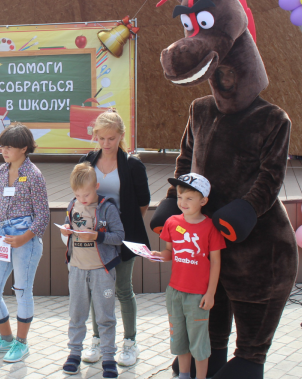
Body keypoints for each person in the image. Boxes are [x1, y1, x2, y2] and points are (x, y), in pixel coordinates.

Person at [77, 109, 150, 366]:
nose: (106, 144)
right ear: (95, 136)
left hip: (125, 238)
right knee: (99, 289)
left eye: (112, 138)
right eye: (102, 138)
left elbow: (143, 203)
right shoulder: (88, 160)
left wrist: (122, 224)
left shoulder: (133, 165)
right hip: (96, 237)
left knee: (122, 289)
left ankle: (130, 343)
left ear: (121, 136)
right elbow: (80, 194)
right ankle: (98, 340)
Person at [0, 124, 50, 363]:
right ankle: (6, 338)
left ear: (24, 148)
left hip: (25, 239)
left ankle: (22, 343)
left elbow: (43, 215)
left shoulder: (33, 174)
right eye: (2, 146)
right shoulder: (0, 171)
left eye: (9, 147)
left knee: (21, 290)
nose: (4, 151)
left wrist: (24, 238)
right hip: (0, 236)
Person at [150, 174, 225, 379]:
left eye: (189, 198)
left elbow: (216, 262)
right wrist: (157, 256)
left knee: (199, 342)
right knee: (179, 339)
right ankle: (184, 375)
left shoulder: (210, 227)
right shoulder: (172, 222)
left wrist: (210, 294)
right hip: (174, 292)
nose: (183, 202)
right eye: (180, 197)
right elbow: (169, 253)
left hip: (197, 296)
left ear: (203, 201)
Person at [61, 163, 125, 378]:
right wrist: (67, 232)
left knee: (106, 316)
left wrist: (97, 235)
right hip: (77, 269)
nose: (82, 198)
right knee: (76, 314)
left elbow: (119, 237)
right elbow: (66, 230)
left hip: (101, 270)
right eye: (77, 194)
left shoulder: (107, 208)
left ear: (96, 186)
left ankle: (108, 357)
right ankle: (74, 354)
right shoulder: (72, 205)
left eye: (86, 193)